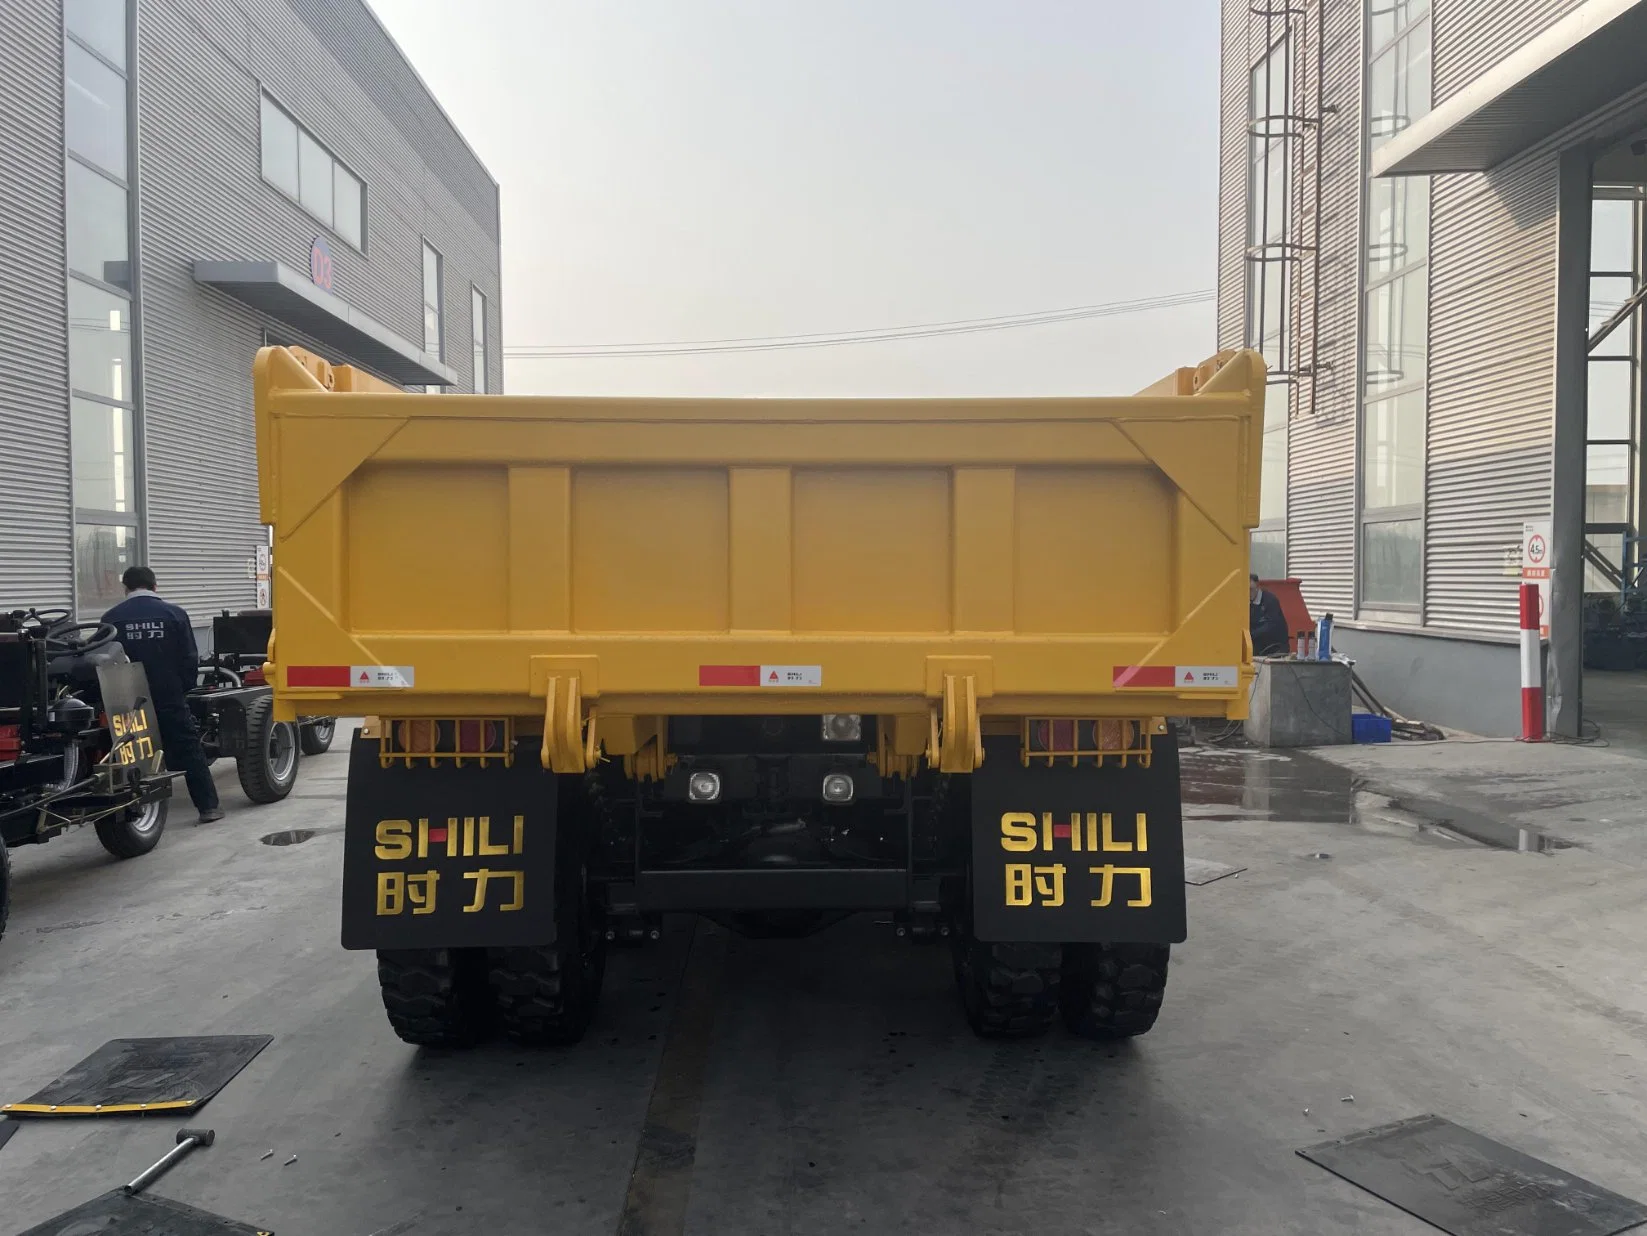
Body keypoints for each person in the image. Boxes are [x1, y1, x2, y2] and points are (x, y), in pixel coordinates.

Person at [103, 566, 223, 823]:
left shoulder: (111, 618)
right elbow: (189, 658)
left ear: (126, 588)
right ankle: (208, 807)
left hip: (128, 701)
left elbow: (105, 661)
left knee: (130, 753)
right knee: (189, 749)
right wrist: (183, 688)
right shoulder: (174, 614)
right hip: (169, 695)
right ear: (155, 586)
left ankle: (133, 816)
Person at [1249, 573, 1289, 656]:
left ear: (1257, 586)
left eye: (1250, 589)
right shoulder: (1248, 602)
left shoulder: (1270, 600)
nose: (1248, 593)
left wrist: (1251, 634)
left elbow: (1272, 625)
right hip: (1257, 647)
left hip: (1274, 647)